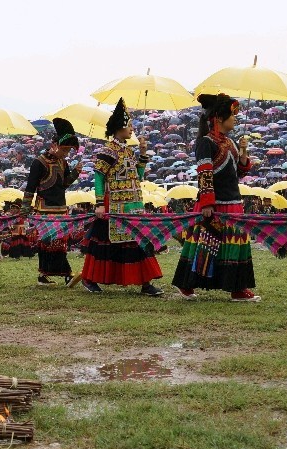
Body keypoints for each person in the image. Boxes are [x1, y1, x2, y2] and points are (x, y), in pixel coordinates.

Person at [172, 93, 260, 302]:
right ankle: (186, 285)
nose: (235, 119)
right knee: (204, 245)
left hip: (233, 202)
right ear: (219, 118)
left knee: (234, 245)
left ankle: (237, 288)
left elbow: (239, 172)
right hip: (214, 204)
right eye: (232, 115)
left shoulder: (230, 142)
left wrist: (244, 151)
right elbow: (205, 174)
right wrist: (207, 203)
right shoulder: (205, 142)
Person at [78, 99, 164, 296]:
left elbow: (138, 177)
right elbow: (98, 177)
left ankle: (145, 282)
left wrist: (142, 156)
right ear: (120, 127)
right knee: (104, 245)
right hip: (113, 204)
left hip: (133, 204)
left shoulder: (128, 150)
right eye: (130, 125)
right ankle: (89, 278)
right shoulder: (107, 151)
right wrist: (99, 203)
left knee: (138, 242)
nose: (132, 129)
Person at [22, 117, 81, 285]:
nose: (66, 153)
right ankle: (66, 274)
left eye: (69, 150)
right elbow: (30, 188)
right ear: (54, 146)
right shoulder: (38, 163)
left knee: (60, 243)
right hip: (44, 209)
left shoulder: (63, 162)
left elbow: (64, 184)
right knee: (47, 243)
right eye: (65, 149)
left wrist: (76, 173)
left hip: (61, 208)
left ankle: (46, 274)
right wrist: (25, 210)